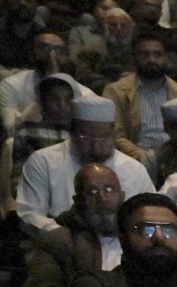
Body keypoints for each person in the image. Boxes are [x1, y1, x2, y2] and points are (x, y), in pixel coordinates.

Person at [17, 93, 158, 234]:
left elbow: (153, 214)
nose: (96, 146)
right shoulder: (44, 161)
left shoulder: (134, 169)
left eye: (104, 138)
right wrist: (64, 237)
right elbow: (29, 214)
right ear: (72, 133)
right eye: (86, 137)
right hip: (63, 244)